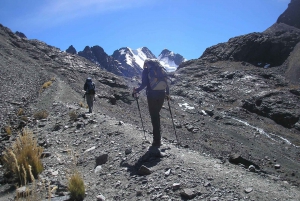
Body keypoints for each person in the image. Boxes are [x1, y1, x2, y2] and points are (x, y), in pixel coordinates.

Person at [132, 59, 170, 147]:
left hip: (152, 96)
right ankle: (158, 137)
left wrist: (136, 90)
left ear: (146, 64)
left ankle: (157, 141)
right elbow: (166, 82)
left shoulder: (146, 71)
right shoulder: (161, 69)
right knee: (157, 114)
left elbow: (144, 84)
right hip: (161, 95)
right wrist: (167, 94)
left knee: (154, 116)